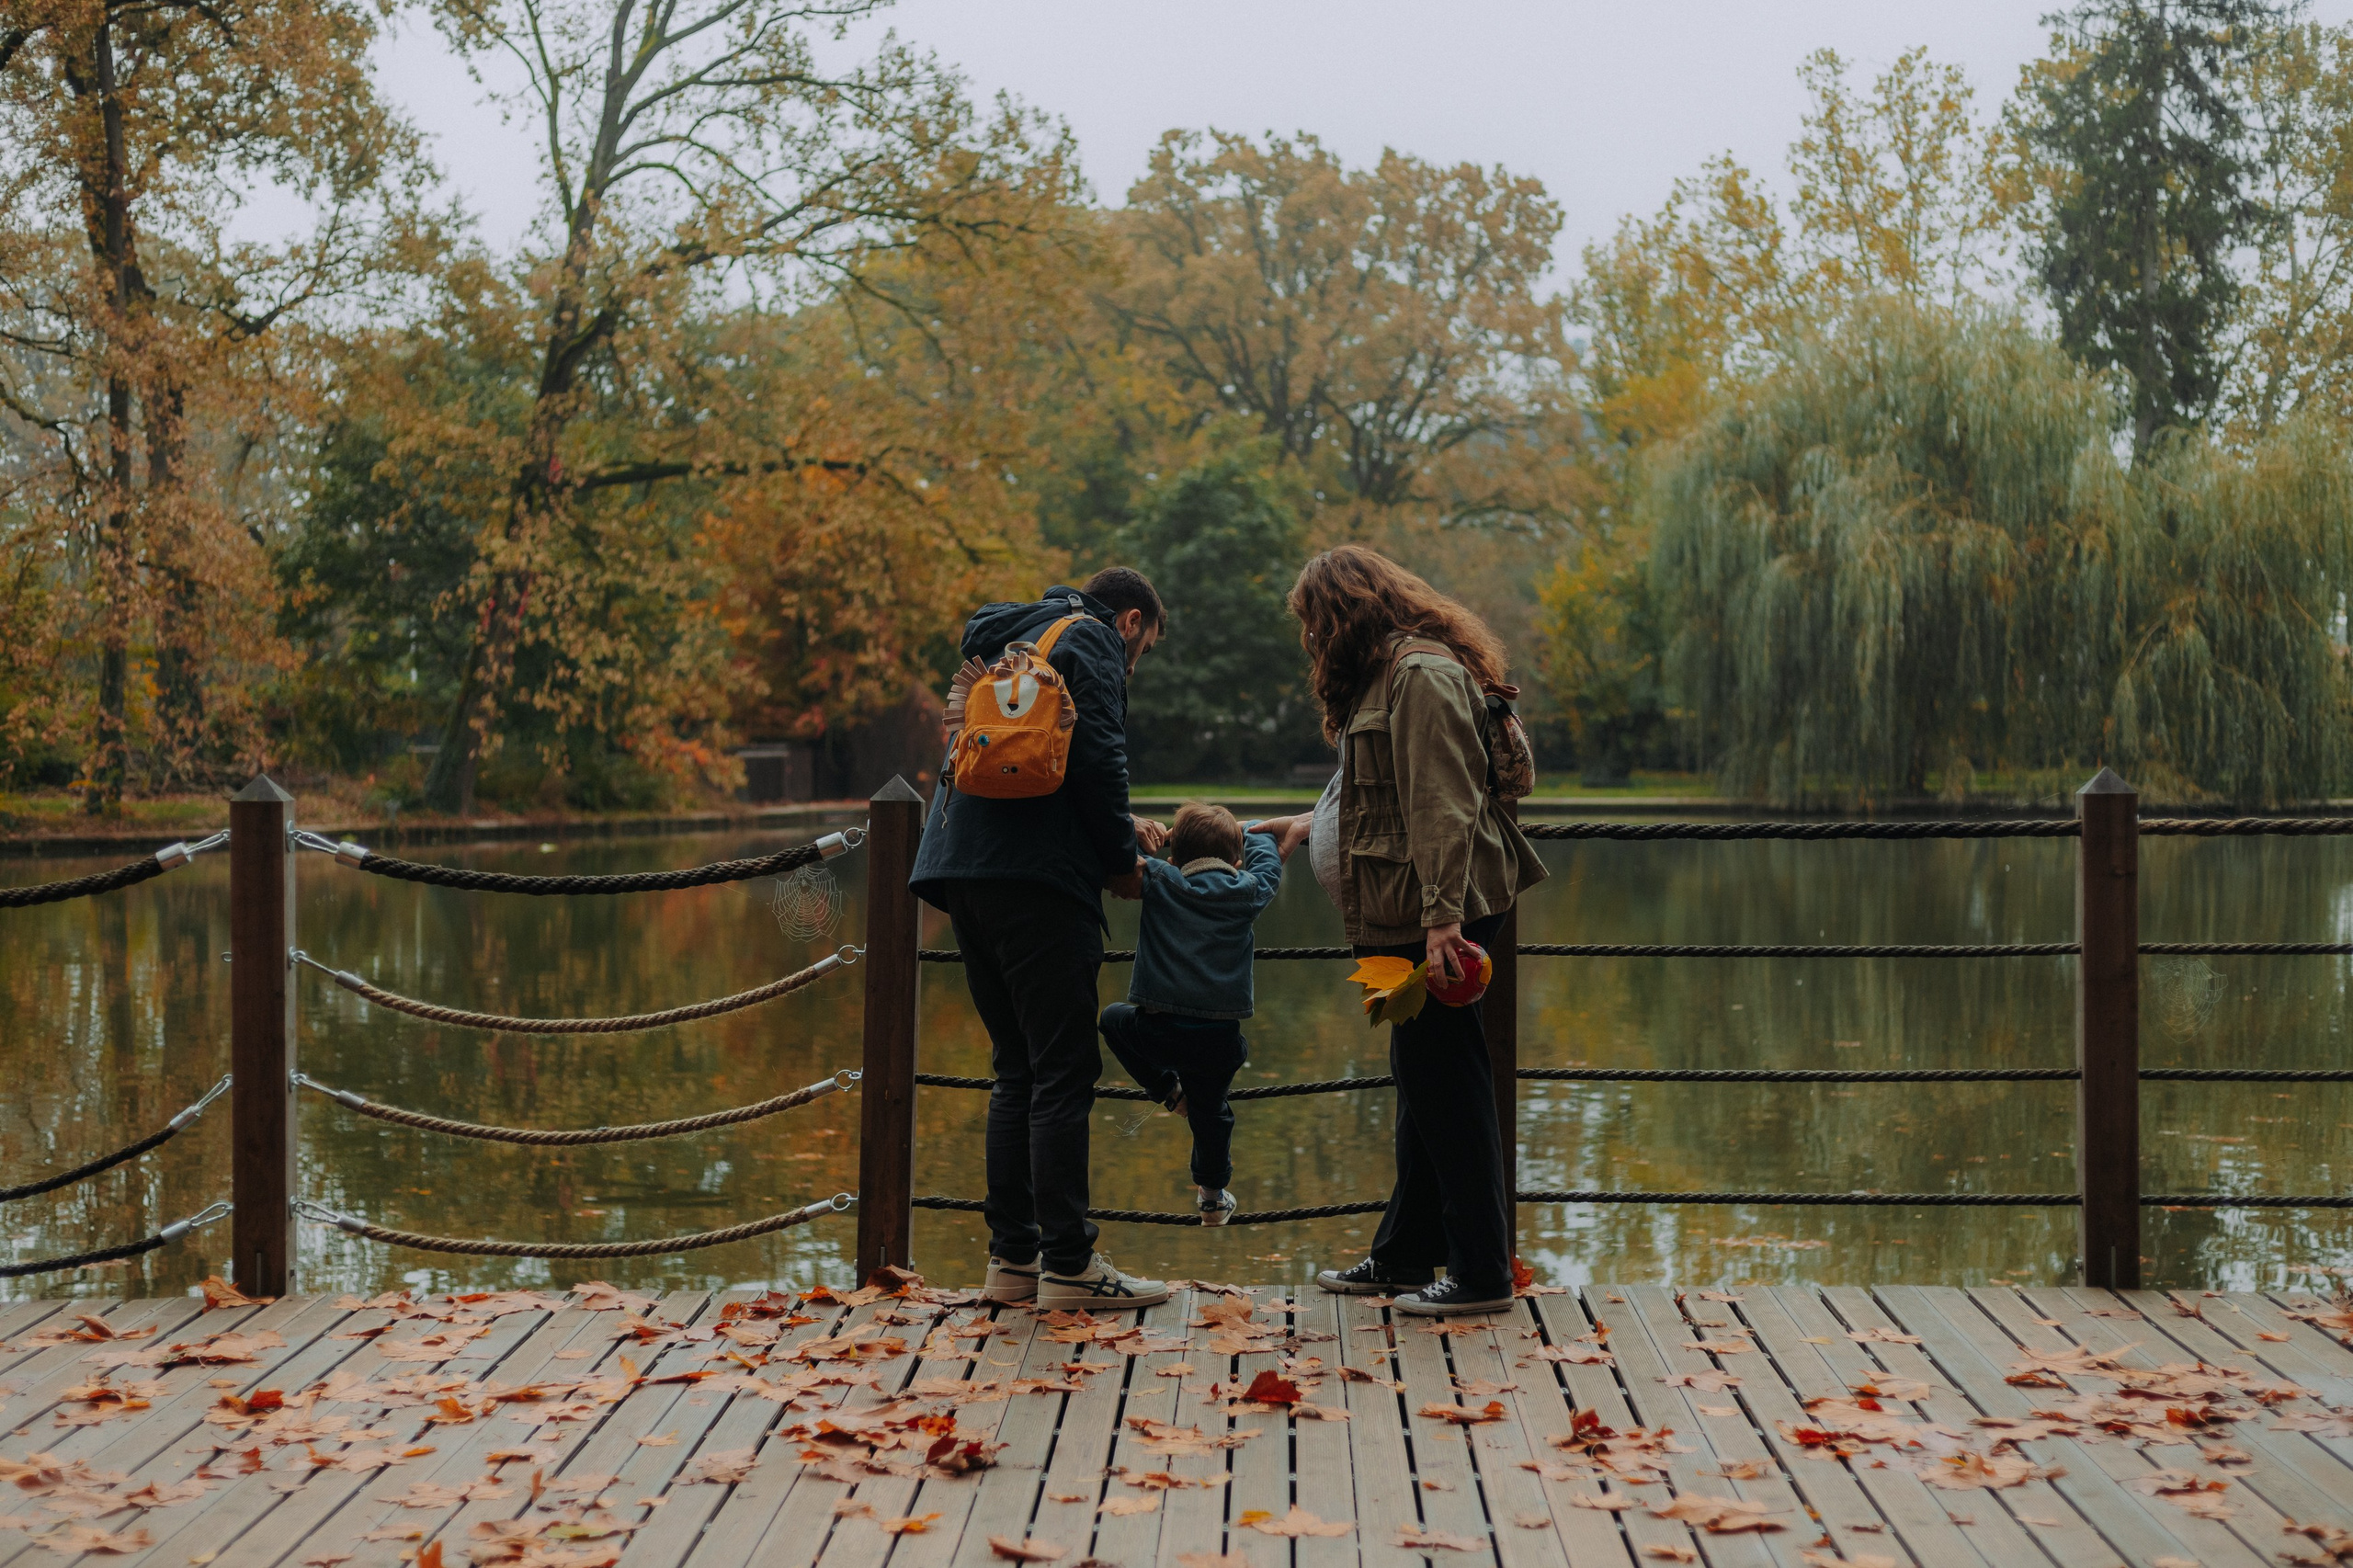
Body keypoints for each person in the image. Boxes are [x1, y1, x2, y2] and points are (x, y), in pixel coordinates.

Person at [1290, 545, 1547, 1315]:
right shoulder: (1384, 675)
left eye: (1312, 621)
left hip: (1432, 914)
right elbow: (1382, 794)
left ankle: (1480, 1276)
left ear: (1343, 610)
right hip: (1400, 914)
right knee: (1423, 1082)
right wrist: (1309, 824)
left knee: (1450, 1086)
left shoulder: (1421, 675)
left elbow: (1442, 804)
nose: (1309, 638)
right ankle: (1404, 1256)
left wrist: (1443, 923)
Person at [910, 567, 1175, 1310]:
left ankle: (1013, 1261)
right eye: (1143, 647)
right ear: (1130, 621)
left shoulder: (1010, 636)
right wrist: (1121, 864)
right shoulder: (1091, 642)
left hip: (962, 868)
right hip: (1038, 881)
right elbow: (1098, 763)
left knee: (1016, 1069)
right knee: (1061, 1069)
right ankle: (1069, 1265)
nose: (1136, 662)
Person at [1097, 801, 1308, 1224]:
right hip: (1217, 1038)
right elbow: (1267, 861)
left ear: (1174, 858)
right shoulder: (1248, 888)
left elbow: (1123, 858)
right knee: (1213, 1114)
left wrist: (1162, 834)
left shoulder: (1160, 879)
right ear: (1235, 860)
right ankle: (1212, 1198)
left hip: (1158, 1028)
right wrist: (1252, 831)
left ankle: (1170, 1093)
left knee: (1112, 1020)